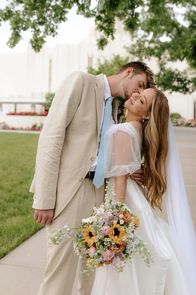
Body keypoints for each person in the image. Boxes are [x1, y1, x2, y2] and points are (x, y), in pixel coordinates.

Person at [29, 61, 154, 295]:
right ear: (128, 72)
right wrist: (44, 198)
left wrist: (132, 170)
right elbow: (51, 136)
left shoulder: (119, 109)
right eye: (140, 84)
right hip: (70, 192)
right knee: (60, 274)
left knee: (91, 276)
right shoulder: (81, 82)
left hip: (100, 197)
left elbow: (110, 153)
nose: (139, 92)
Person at [91, 88, 196, 295]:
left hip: (124, 199)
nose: (135, 96)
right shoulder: (138, 128)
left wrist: (114, 222)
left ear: (146, 114)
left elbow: (120, 179)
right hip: (136, 198)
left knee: (122, 270)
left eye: (142, 100)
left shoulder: (122, 131)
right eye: (138, 92)